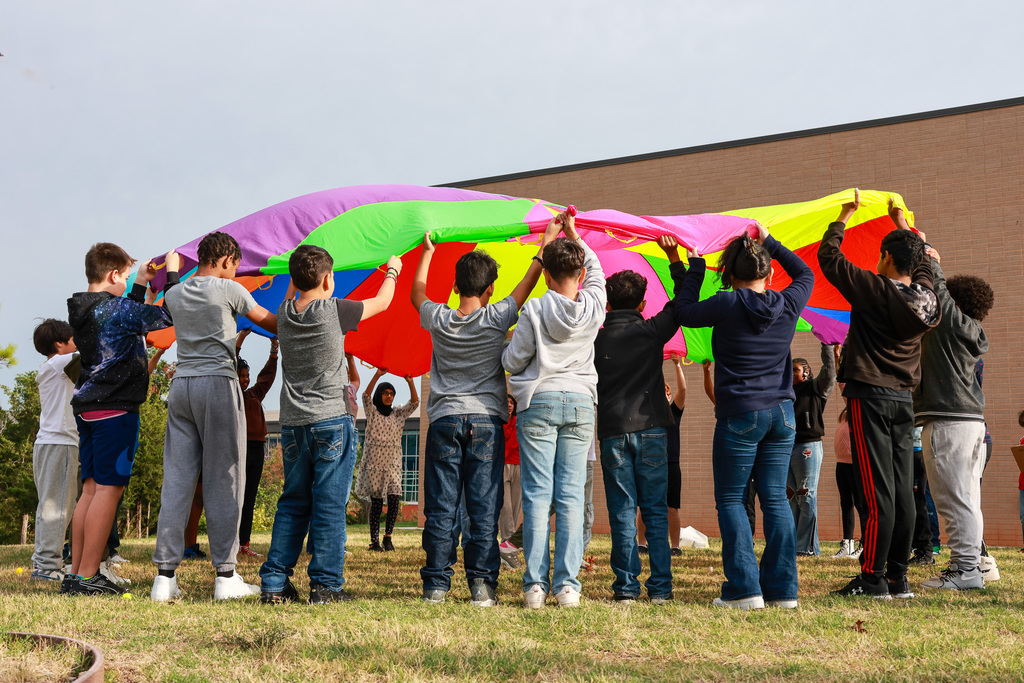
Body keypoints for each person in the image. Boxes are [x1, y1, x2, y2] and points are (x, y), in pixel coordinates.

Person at [413, 216, 555, 607]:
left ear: (456, 286)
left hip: (443, 420)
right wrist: (544, 243)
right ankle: (481, 586)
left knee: (441, 507)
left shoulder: (438, 318)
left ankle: (436, 587)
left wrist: (427, 252)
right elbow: (527, 284)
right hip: (487, 424)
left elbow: (417, 294)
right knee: (483, 507)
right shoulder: (497, 318)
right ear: (491, 289)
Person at [676, 221, 812, 610]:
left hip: (741, 416)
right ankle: (783, 592)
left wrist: (693, 267)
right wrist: (769, 240)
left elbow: (683, 311)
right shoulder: (788, 302)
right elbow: (804, 272)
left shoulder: (726, 302)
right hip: (783, 416)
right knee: (775, 499)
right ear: (769, 273)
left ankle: (744, 591)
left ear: (728, 275)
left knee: (733, 499)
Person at [259, 245, 401, 604]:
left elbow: (294, 291)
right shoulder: (333, 310)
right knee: (329, 505)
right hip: (331, 424)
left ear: (293, 281)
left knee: (292, 503)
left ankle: (274, 583)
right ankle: (325, 586)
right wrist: (393, 270)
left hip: (292, 426)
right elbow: (382, 302)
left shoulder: (284, 312)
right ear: (327, 279)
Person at [819, 193, 938, 599]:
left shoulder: (873, 289)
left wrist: (844, 216)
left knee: (876, 492)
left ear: (885, 255)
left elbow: (828, 258)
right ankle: (897, 578)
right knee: (903, 489)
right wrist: (903, 220)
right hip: (904, 400)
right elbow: (926, 261)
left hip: (869, 396)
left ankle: (872, 578)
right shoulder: (927, 299)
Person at [151, 232, 279, 602]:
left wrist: (173, 271)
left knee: (177, 479)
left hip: (182, 387)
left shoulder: (175, 294)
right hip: (218, 386)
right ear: (226, 260)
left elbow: (174, 288)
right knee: (226, 477)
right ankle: (226, 576)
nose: (234, 272)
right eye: (234, 266)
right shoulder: (230, 289)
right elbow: (271, 323)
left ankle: (164, 578)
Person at [503, 210, 606, 609]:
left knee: (537, 495)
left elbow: (513, 361)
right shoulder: (594, 304)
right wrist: (575, 234)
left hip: (539, 402)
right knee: (570, 497)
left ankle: (534, 587)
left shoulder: (533, 310)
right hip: (581, 403)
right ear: (579, 275)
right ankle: (567, 587)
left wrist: (547, 241)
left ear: (545, 275)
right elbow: (593, 265)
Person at [63, 244, 176, 595]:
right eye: (125, 278)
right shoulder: (118, 309)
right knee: (109, 491)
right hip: (116, 409)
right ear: (113, 275)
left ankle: (76, 574)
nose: (127, 284)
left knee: (91, 489)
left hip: (88, 407)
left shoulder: (83, 309)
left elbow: (128, 318)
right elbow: (168, 315)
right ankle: (88, 576)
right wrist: (171, 275)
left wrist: (141, 283)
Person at [593, 235, 686, 604]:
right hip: (652, 430)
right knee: (655, 513)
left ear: (607, 302)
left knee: (622, 512)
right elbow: (682, 304)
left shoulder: (595, 339)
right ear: (645, 304)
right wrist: (675, 259)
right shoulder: (651, 332)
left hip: (613, 430)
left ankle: (626, 588)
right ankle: (661, 588)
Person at [914, 251, 994, 591]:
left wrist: (927, 252)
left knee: (953, 499)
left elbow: (941, 294)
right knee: (967, 498)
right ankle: (976, 564)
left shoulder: (951, 323)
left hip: (949, 422)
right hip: (970, 422)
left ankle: (966, 571)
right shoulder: (968, 330)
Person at [30, 319, 80, 582]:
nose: (76, 342)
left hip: (49, 444)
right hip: (60, 443)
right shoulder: (61, 363)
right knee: (56, 507)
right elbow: (91, 350)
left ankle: (45, 562)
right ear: (59, 345)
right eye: (73, 338)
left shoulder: (52, 366)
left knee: (51, 504)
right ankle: (46, 568)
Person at [356, 368, 419, 552]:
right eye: (386, 393)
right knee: (376, 504)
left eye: (392, 394)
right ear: (380, 394)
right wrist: (377, 375)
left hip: (392, 466)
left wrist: (410, 381)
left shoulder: (398, 415)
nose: (389, 396)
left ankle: (388, 538)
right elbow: (366, 396)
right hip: (375, 466)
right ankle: (374, 542)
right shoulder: (373, 413)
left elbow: (415, 403)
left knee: (393, 500)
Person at [788, 342, 838, 556]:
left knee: (806, 495)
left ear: (806, 373)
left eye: (795, 370)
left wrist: (827, 346)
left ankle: (807, 548)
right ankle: (794, 545)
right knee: (790, 496)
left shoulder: (815, 388)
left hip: (808, 446)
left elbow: (829, 371)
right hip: (788, 446)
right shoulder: (785, 393)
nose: (791, 374)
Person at [235, 329, 279, 557]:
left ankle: (244, 544)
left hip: (257, 449)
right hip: (238, 449)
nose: (246, 379)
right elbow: (226, 363)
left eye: (247, 376)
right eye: (241, 375)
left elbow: (267, 377)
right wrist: (241, 339)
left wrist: (274, 350)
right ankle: (231, 542)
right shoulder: (231, 394)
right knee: (236, 497)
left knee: (249, 498)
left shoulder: (254, 395)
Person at [832, 405, 865, 559]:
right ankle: (847, 544)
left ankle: (865, 544)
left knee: (860, 504)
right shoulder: (847, 406)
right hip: (842, 462)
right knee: (845, 503)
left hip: (856, 463)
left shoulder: (862, 403)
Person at [498, 394, 523, 570]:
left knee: (515, 507)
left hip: (518, 465)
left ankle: (510, 545)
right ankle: (506, 542)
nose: (509, 405)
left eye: (511, 403)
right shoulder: (498, 422)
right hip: (500, 466)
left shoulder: (518, 421)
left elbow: (516, 442)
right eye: (506, 402)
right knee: (504, 507)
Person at [666, 354, 687, 554]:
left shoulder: (674, 412)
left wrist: (677, 365)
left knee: (672, 508)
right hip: (651, 464)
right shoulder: (647, 414)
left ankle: (675, 546)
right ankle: (642, 544)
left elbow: (683, 389)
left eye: (666, 392)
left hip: (672, 464)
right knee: (645, 507)